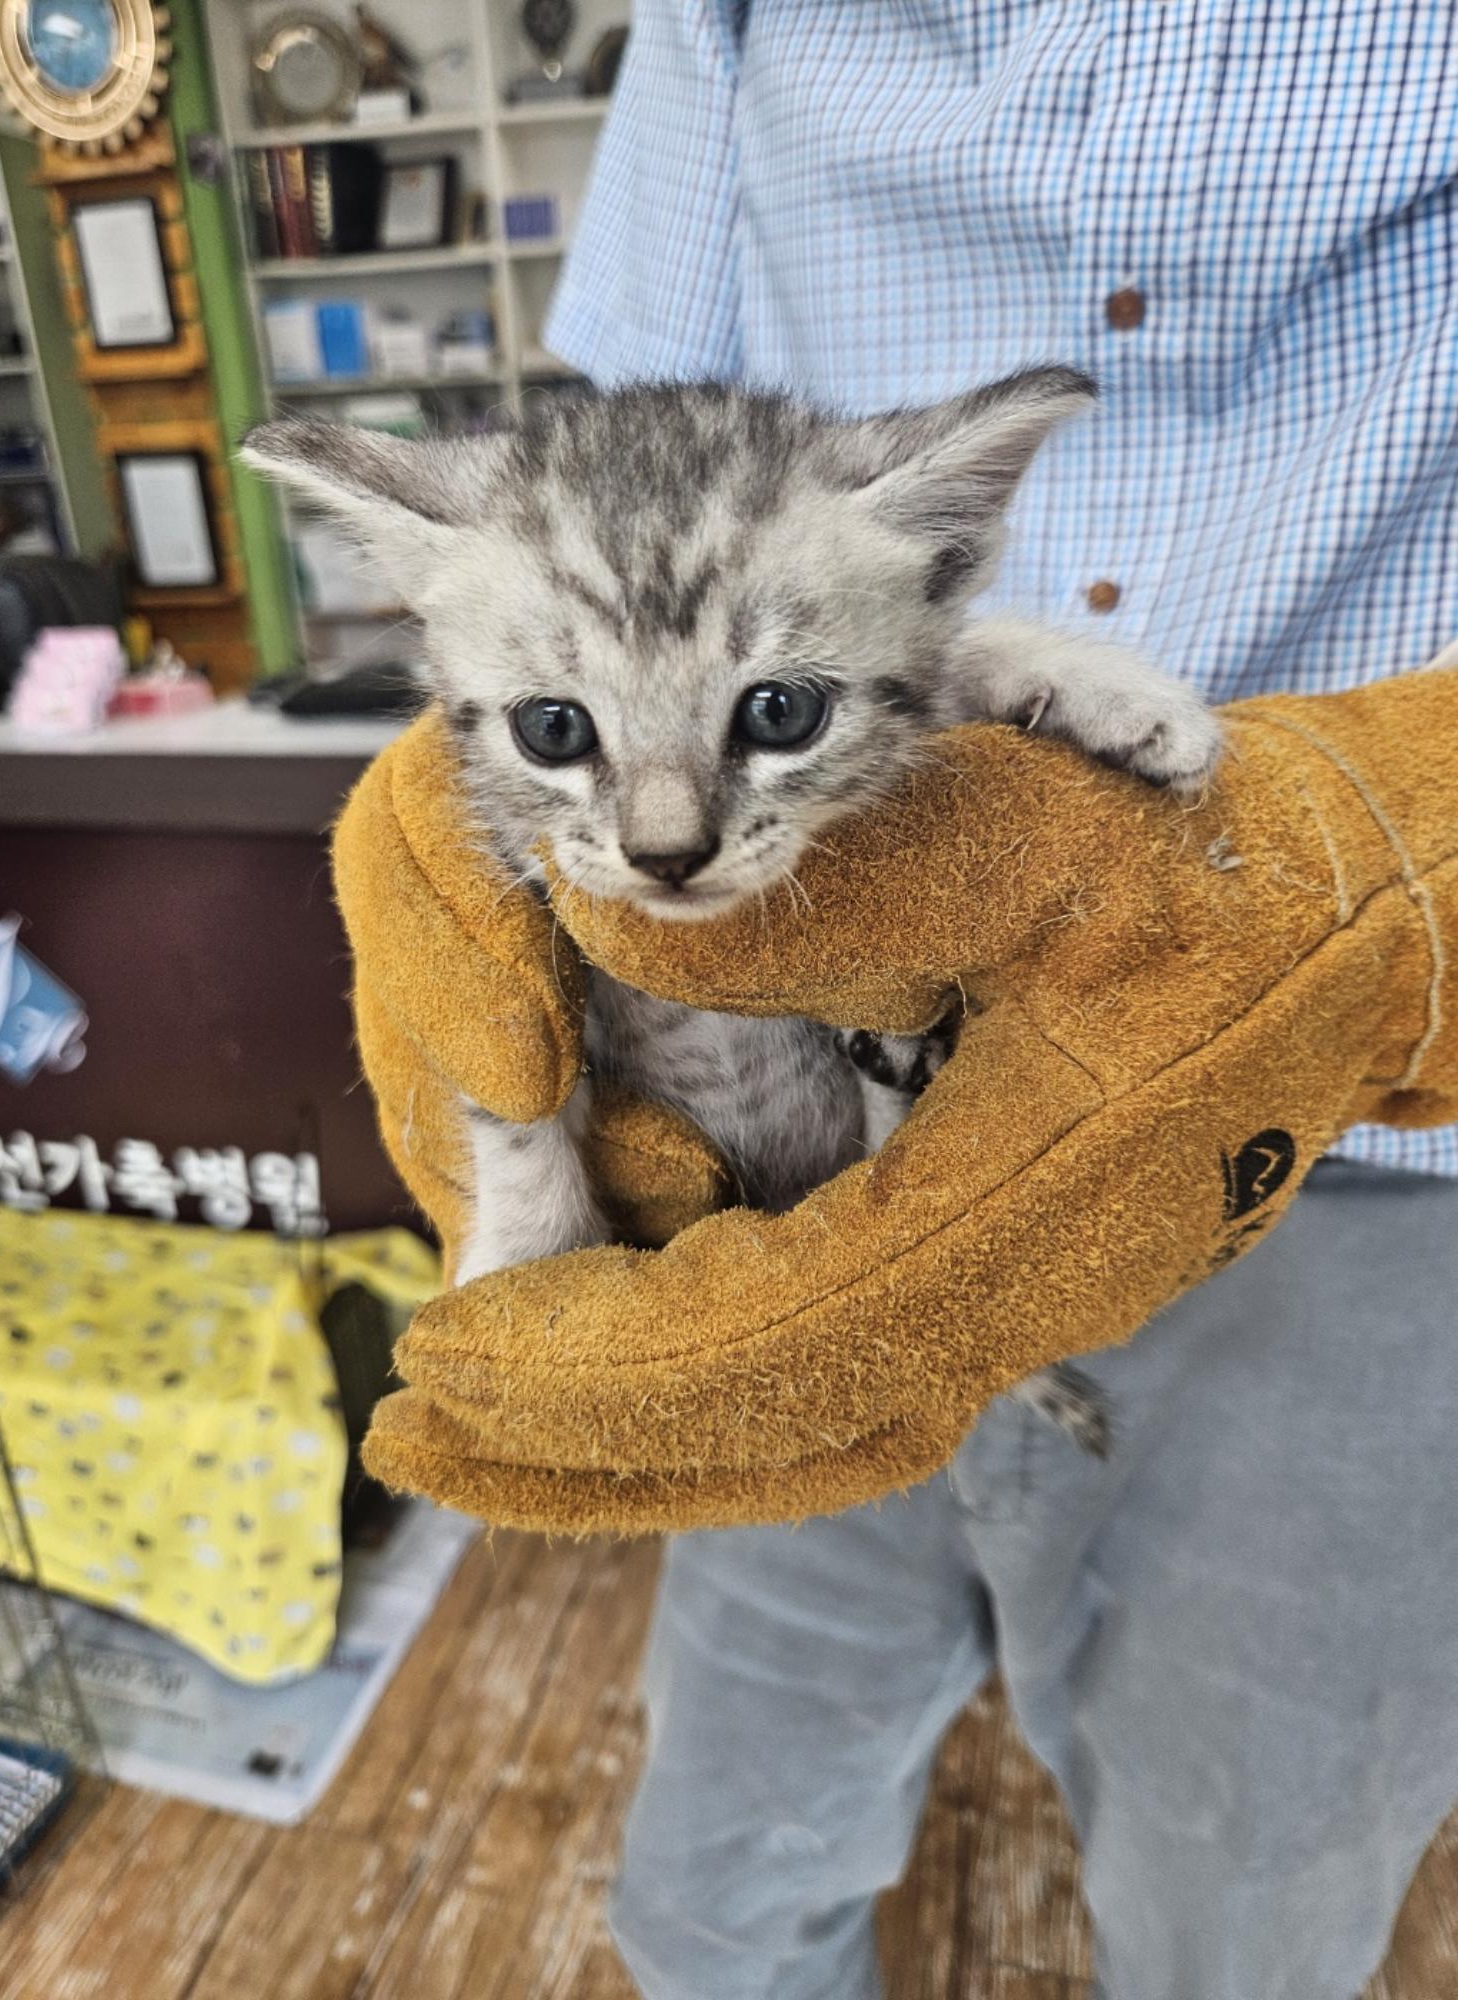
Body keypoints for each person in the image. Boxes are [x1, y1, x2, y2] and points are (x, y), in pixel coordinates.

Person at [544, 6, 1458, 1996]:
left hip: (1363, 1149)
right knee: (710, 1905)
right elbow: (602, 485)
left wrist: (1359, 850)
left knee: (1251, 1940)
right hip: (839, 1097)